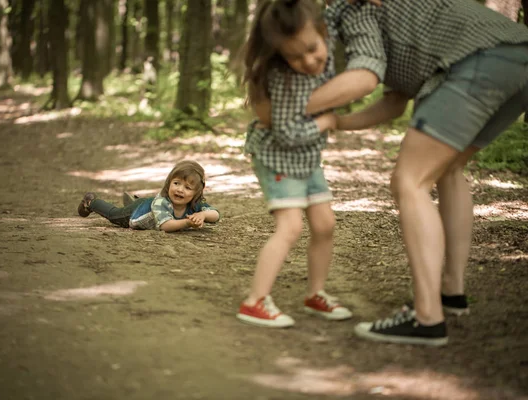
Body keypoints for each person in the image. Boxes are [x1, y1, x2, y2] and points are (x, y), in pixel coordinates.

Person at [299, 0, 528, 345]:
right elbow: (394, 102)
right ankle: (451, 291)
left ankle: (426, 318)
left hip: (477, 60)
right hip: (517, 55)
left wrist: (291, 107)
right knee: (448, 169)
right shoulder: (394, 13)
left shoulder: (350, 7)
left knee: (410, 181)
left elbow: (364, 77)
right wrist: (336, 122)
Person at [236, 0, 352, 328]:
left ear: (323, 34)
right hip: (278, 156)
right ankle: (254, 301)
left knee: (325, 224)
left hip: (308, 157)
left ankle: (315, 294)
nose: (308, 61)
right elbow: (285, 133)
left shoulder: (323, 38)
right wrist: (325, 122)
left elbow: (337, 14)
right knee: (291, 227)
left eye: (313, 49)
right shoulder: (284, 79)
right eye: (295, 56)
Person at [77, 160, 220, 232]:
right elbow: (166, 226)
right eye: (176, 183)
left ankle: (134, 202)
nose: (180, 190)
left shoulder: (195, 205)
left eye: (187, 187)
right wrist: (188, 223)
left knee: (141, 203)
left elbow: (216, 215)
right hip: (134, 215)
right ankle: (90, 202)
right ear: (169, 182)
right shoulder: (162, 202)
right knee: (115, 214)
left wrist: (203, 215)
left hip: (147, 205)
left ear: (196, 193)